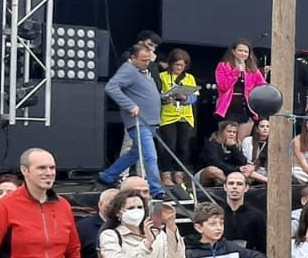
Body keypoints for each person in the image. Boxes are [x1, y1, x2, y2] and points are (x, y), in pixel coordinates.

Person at [99, 41, 167, 198]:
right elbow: (111, 87)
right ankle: (156, 190)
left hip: (149, 121)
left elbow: (144, 93)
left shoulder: (142, 70)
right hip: (139, 122)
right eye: (143, 60)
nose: (147, 63)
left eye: (148, 59)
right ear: (133, 58)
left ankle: (107, 176)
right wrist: (130, 106)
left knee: (135, 153)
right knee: (150, 155)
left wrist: (164, 98)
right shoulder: (128, 69)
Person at [156, 48, 199, 193]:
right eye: (177, 65)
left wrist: (185, 97)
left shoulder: (189, 78)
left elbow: (194, 97)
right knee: (169, 146)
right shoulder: (162, 77)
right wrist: (166, 97)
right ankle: (166, 173)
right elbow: (157, 95)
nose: (179, 68)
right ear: (171, 64)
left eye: (182, 65)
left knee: (183, 146)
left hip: (185, 116)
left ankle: (179, 173)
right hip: (168, 115)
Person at [215, 40, 266, 126]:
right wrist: (236, 72)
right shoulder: (223, 66)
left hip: (246, 108)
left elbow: (262, 87)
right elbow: (223, 86)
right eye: (240, 51)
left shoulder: (253, 69)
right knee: (229, 136)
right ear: (233, 51)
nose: (243, 53)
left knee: (243, 139)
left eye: (246, 52)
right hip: (229, 108)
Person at [219, 171, 267, 255]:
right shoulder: (216, 215)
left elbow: (262, 246)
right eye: (231, 183)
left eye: (239, 184)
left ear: (246, 188)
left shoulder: (257, 216)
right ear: (225, 187)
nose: (234, 187)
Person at [199, 124, 249, 189]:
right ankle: (231, 186)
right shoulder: (212, 144)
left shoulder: (236, 145)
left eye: (234, 132)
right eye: (229, 131)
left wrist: (233, 148)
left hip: (229, 172)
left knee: (248, 168)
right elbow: (216, 163)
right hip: (206, 174)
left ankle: (266, 181)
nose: (232, 134)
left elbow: (243, 162)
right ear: (222, 132)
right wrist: (236, 169)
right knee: (213, 170)